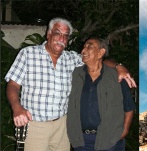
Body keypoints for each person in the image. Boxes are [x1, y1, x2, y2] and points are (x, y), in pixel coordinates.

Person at [5, 17, 136, 151]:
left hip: (63, 126)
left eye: (65, 36)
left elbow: (97, 61)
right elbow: (13, 85)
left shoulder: (71, 58)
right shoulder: (28, 54)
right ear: (48, 33)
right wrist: (17, 107)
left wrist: (119, 66)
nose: (61, 38)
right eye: (57, 33)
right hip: (35, 124)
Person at [67, 37, 135, 151]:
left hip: (110, 139)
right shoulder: (75, 75)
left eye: (89, 46)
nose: (83, 50)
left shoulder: (116, 77)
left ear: (101, 52)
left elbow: (129, 106)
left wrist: (125, 130)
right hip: (81, 140)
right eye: (84, 47)